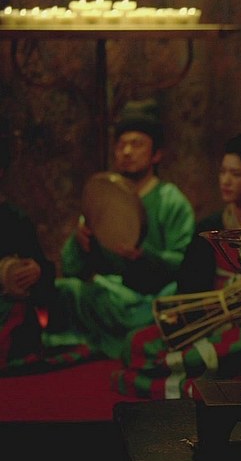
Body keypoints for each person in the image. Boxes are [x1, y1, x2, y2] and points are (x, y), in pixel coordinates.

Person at [113, 110, 241, 399]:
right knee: (136, 342)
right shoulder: (209, 228)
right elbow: (189, 288)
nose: (226, 181)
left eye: (236, 174)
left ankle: (191, 382)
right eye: (223, 172)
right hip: (210, 319)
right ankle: (197, 378)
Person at [43, 99, 195, 360]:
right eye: (121, 144)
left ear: (156, 154)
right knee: (66, 290)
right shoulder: (104, 198)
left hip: (149, 299)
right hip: (108, 295)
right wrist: (80, 243)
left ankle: (118, 341)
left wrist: (144, 257)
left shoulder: (171, 201)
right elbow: (71, 267)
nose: (126, 151)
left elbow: (185, 263)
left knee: (169, 302)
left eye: (136, 144)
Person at [0, 120, 57, 372]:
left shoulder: (15, 220)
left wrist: (38, 272)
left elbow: (45, 287)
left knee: (19, 313)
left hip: (9, 309)